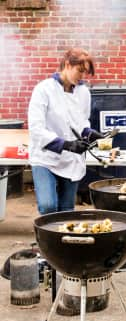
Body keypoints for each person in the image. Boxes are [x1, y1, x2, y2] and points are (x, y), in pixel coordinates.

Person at [28, 48, 104, 215]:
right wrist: (66, 145)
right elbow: (36, 129)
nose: (82, 76)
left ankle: (63, 241)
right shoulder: (44, 89)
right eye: (80, 71)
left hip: (71, 160)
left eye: (85, 73)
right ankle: (47, 240)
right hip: (45, 157)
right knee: (48, 206)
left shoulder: (83, 92)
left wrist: (91, 134)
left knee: (67, 210)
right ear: (68, 65)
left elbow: (81, 122)